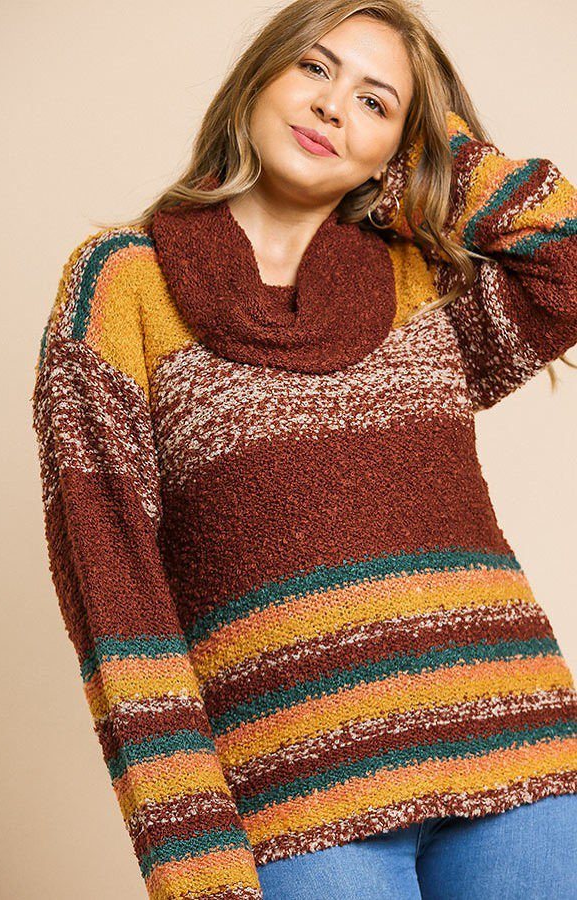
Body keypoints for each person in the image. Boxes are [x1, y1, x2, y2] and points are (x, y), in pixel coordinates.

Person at [31, 1, 577, 898]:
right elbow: (112, 580)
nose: (332, 106)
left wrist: (430, 171)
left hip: (519, 750)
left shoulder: (419, 278)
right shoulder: (121, 282)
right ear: (261, 74)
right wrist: (191, 854)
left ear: (399, 146)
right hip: (294, 789)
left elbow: (566, 262)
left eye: (375, 102)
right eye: (315, 68)